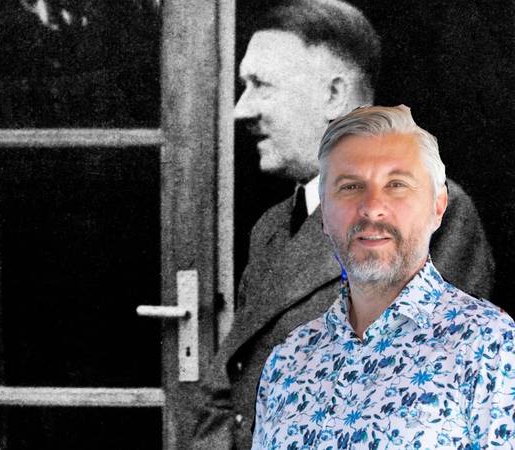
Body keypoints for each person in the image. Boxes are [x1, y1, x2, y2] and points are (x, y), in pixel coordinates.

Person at [192, 1, 494, 448]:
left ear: (334, 95)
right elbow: (227, 390)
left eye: (262, 86)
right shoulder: (272, 228)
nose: (241, 110)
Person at [252, 104, 515, 447]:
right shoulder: (286, 361)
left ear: (437, 207)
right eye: (350, 188)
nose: (372, 209)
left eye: (396, 185)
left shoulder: (491, 345)